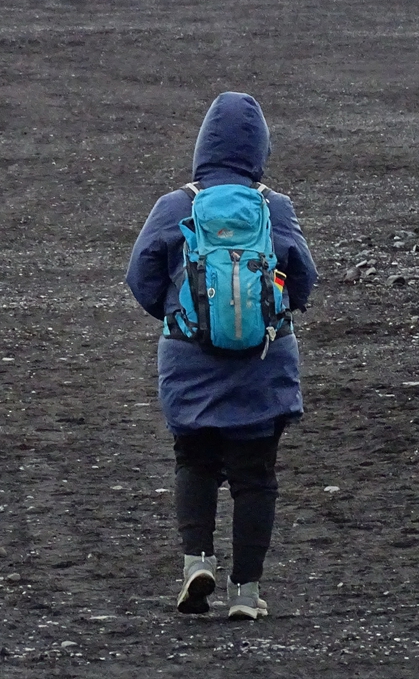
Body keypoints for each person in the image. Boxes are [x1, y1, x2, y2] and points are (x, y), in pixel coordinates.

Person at [125, 92, 317, 621]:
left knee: (196, 460)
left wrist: (177, 320)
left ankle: (195, 564)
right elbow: (303, 278)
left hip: (188, 357)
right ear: (259, 149)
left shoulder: (175, 205)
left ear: (203, 145)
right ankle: (247, 594)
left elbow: (139, 275)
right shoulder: (273, 206)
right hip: (264, 361)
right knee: (256, 474)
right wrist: (275, 314)